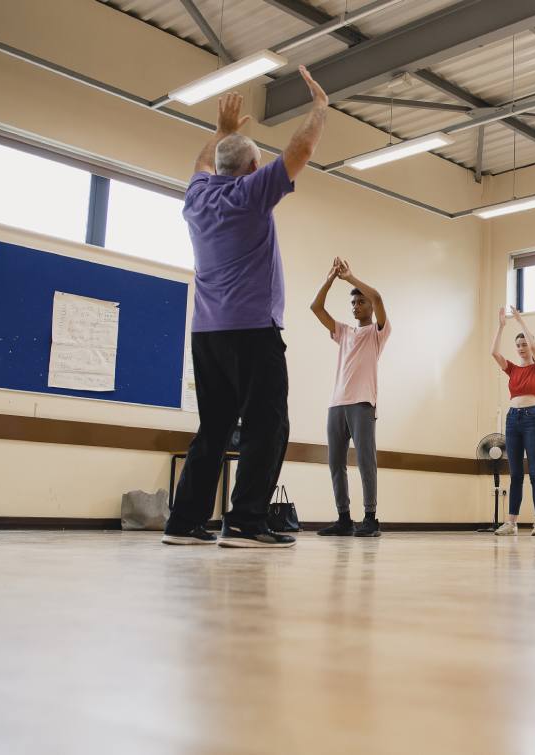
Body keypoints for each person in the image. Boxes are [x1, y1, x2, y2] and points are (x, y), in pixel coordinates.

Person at [161, 67, 328, 548]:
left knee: (213, 427)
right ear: (255, 168)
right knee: (267, 425)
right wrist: (319, 108)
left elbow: (202, 162)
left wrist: (221, 131)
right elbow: (300, 151)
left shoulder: (196, 199)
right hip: (253, 330)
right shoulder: (251, 195)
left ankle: (184, 522)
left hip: (206, 334)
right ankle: (246, 522)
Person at [310, 257, 391, 538]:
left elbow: (377, 297)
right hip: (337, 404)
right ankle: (344, 519)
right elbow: (316, 307)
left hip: (363, 403)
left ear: (370, 307)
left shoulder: (378, 332)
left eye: (360, 302)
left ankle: (371, 518)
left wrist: (350, 278)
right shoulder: (343, 331)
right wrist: (330, 279)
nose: (356, 306)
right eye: (353, 303)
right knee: (336, 462)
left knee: (366, 460)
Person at [490, 306, 535, 537]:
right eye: (518, 345)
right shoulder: (512, 370)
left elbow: (534, 347)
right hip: (512, 420)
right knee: (515, 475)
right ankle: (512, 523)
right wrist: (501, 325)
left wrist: (520, 321)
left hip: (532, 419)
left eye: (524, 344)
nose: (522, 348)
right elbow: (494, 353)